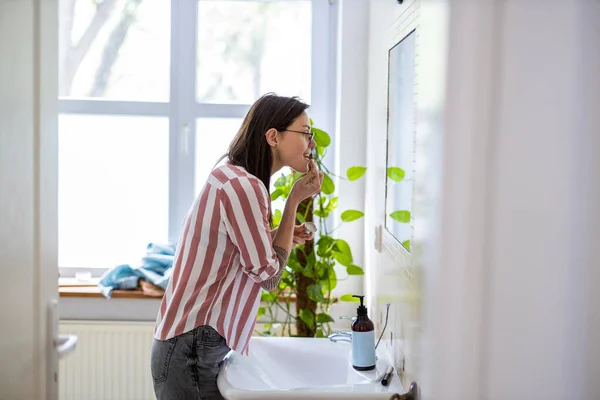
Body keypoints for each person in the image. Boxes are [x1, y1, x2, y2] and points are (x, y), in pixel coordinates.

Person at [150, 93, 324, 399]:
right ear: (273, 136)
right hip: (190, 348)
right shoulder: (244, 186)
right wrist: (294, 199)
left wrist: (279, 233)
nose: (311, 144)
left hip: (187, 345)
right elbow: (269, 275)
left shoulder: (234, 175)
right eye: (306, 133)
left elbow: (236, 252)